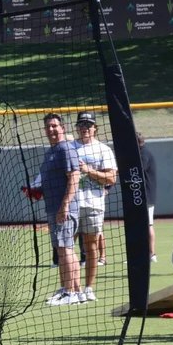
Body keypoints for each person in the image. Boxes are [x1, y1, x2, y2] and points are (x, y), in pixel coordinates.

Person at [38, 114, 82, 306]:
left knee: (65, 249)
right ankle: (73, 290)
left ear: (62, 128)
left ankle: (70, 292)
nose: (51, 129)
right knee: (63, 249)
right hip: (54, 207)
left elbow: (74, 177)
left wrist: (64, 205)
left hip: (64, 209)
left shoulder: (66, 148)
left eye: (54, 126)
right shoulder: (51, 151)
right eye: (48, 126)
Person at [72, 112, 117, 302]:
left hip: (93, 204)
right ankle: (72, 289)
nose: (85, 128)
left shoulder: (103, 149)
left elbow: (111, 178)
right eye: (82, 125)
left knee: (90, 247)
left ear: (95, 128)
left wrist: (88, 170)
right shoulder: (69, 148)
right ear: (77, 127)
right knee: (67, 246)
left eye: (89, 125)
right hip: (71, 204)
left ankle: (89, 288)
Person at [137, 132, 158, 263]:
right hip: (144, 195)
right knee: (144, 225)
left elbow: (140, 169)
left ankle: (151, 253)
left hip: (146, 195)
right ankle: (147, 254)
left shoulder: (144, 153)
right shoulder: (143, 152)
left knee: (148, 224)